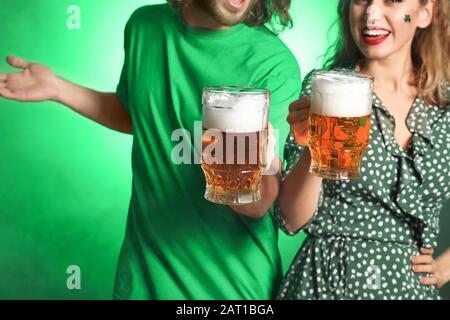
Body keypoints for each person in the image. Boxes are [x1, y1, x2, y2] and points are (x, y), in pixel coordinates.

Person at [0, 0, 301, 299]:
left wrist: (236, 176)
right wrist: (57, 88)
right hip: (143, 280)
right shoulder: (144, 26)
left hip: (231, 289)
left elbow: (262, 198)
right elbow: (136, 112)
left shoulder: (272, 63)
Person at [274, 0, 449, 299]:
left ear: (425, 12)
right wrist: (315, 147)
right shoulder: (325, 87)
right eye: (360, 0)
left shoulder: (444, 106)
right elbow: (290, 219)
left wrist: (445, 268)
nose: (371, 13)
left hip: (409, 291)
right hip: (326, 283)